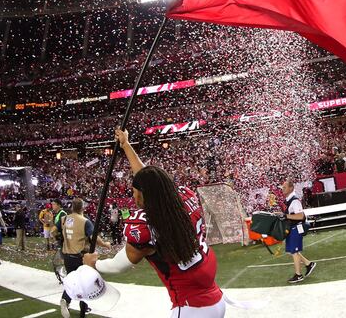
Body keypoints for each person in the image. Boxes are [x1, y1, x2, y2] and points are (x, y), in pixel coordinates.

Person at [83, 128, 225, 318]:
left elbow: (119, 265)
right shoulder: (184, 199)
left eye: (134, 192)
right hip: (215, 298)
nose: (133, 197)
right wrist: (126, 145)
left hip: (190, 308)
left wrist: (95, 264)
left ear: (143, 194)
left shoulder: (147, 226)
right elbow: (151, 180)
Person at [59, 198, 110, 318]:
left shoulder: (64, 219)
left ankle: (66, 300)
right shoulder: (85, 221)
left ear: (72, 207)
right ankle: (82, 309)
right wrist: (105, 244)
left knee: (72, 279)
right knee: (85, 283)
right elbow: (94, 238)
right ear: (83, 207)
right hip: (80, 256)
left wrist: (63, 241)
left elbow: (53, 231)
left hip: (67, 256)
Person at [281, 179, 316, 283]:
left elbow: (300, 216)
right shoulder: (289, 200)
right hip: (292, 229)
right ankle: (309, 264)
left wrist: (285, 216)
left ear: (291, 188)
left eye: (285, 187)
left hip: (296, 228)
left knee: (294, 252)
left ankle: (298, 275)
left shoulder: (295, 201)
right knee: (293, 251)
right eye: (282, 187)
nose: (283, 189)